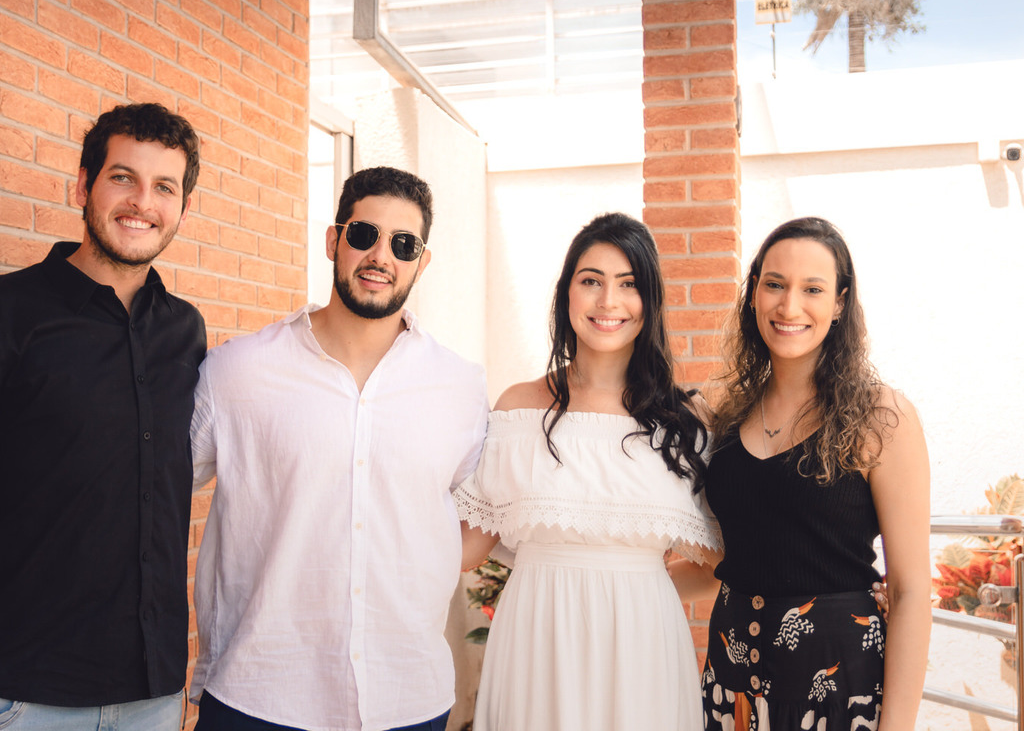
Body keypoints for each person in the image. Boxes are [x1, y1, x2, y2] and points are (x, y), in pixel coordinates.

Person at [0, 103, 207, 731]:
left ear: (183, 208)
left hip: (153, 695)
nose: (142, 202)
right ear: (84, 185)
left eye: (164, 187)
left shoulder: (184, 331)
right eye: (123, 177)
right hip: (17, 698)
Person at [188, 166, 489, 731]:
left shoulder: (461, 388)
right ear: (333, 240)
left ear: (422, 262)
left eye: (403, 244)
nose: (380, 256)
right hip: (259, 695)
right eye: (363, 234)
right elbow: (155, 492)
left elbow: (478, 516)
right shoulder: (238, 372)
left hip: (408, 698)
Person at [456, 212, 722, 731]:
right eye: (591, 281)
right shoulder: (518, 408)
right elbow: (467, 547)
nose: (608, 301)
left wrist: (633, 587)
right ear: (566, 295)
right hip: (535, 642)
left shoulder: (683, 423)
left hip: (643, 645)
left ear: (650, 300)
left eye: (629, 284)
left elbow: (722, 562)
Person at [700, 216, 930, 731]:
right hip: (731, 687)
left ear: (840, 303)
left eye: (812, 289)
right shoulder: (730, 417)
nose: (789, 306)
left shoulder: (881, 416)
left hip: (838, 695)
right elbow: (729, 554)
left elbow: (911, 591)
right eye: (774, 284)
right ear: (754, 294)